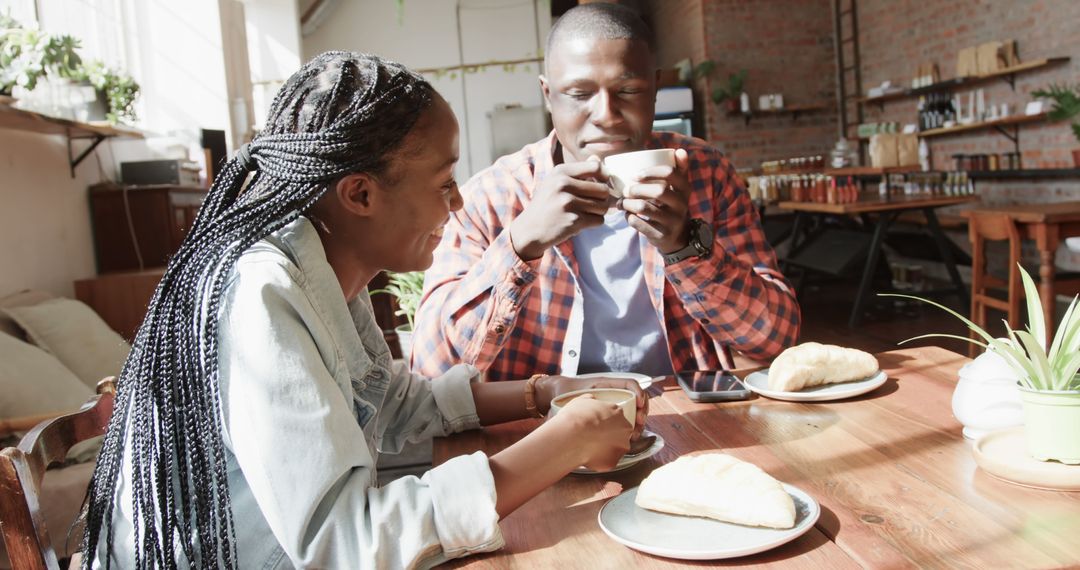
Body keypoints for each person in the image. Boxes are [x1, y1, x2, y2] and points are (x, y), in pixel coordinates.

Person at [81, 51, 646, 569]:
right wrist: (565, 440)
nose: (458, 202)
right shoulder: (261, 295)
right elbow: (342, 540)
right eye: (445, 181)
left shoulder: (323, 266)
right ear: (360, 194)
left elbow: (393, 404)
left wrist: (545, 393)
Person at [412, 4, 800, 382]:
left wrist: (684, 246)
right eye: (579, 94)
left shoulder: (704, 174)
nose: (607, 115)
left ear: (655, 91)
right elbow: (434, 374)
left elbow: (775, 339)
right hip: (545, 430)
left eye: (628, 90)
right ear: (548, 95)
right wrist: (522, 244)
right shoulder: (492, 197)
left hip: (690, 416)